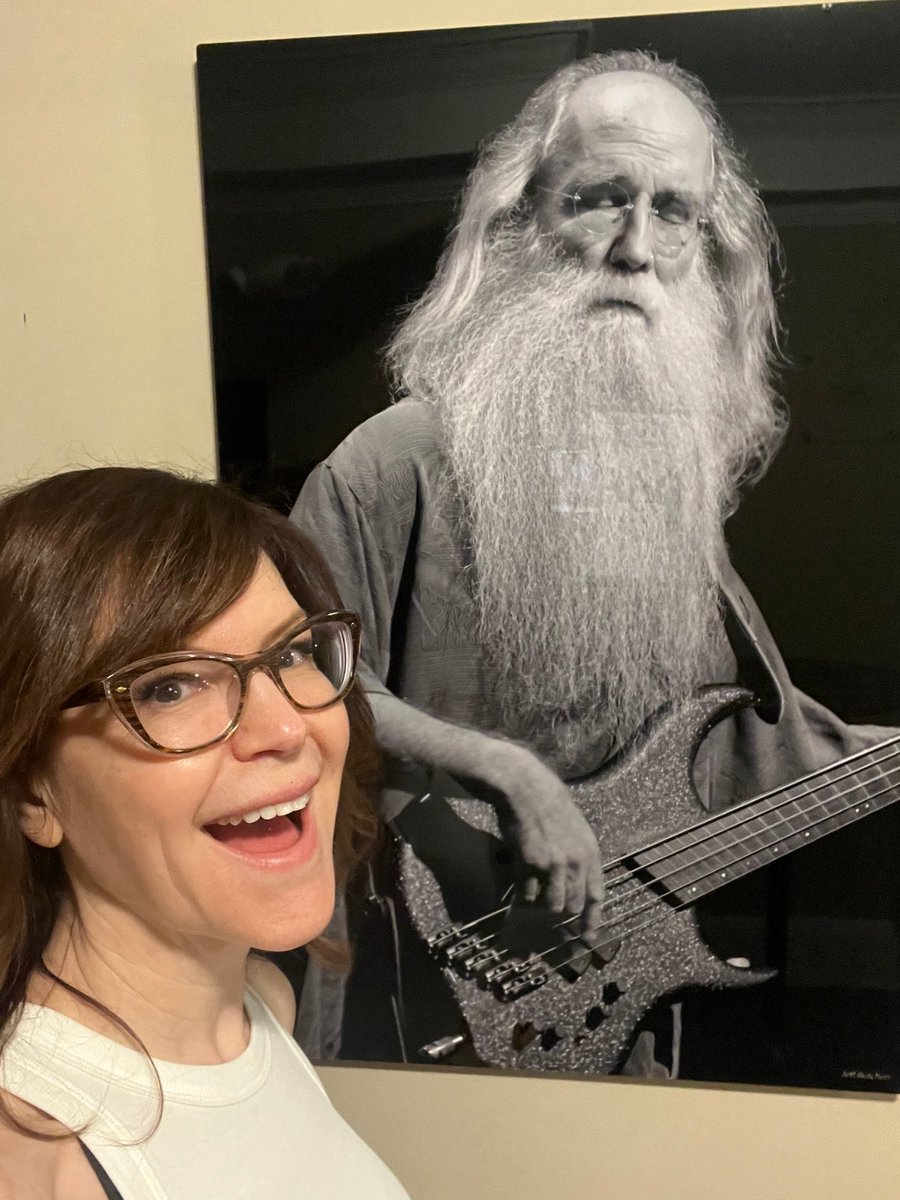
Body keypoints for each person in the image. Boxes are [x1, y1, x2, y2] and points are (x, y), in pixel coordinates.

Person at [292, 51, 884, 1067]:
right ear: (519, 223)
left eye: (674, 212)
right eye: (600, 199)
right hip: (412, 986)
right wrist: (509, 774)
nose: (634, 247)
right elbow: (288, 685)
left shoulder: (673, 483)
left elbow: (735, 744)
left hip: (609, 992)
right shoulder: (393, 462)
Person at [0, 467, 411, 1199]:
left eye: (291, 653)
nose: (286, 728)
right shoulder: (31, 1152)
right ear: (34, 791)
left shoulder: (259, 1004)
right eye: (170, 686)